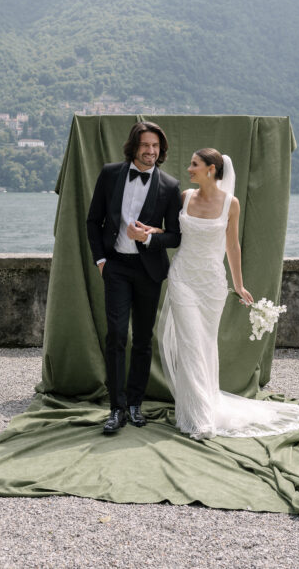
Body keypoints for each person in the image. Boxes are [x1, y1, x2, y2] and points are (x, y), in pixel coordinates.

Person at [152, 148, 299, 440]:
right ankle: (200, 418)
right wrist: (151, 232)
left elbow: (232, 246)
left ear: (211, 169)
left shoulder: (231, 203)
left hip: (212, 285)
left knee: (205, 345)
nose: (189, 169)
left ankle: (202, 407)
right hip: (182, 279)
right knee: (189, 344)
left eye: (194, 164)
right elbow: (172, 234)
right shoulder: (185, 197)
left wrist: (239, 285)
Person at [86, 121, 183, 434]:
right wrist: (101, 261)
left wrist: (149, 238)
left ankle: (134, 404)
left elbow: (176, 236)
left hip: (148, 271)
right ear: (134, 147)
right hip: (115, 266)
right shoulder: (110, 174)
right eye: (145, 145)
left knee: (142, 339)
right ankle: (116, 409)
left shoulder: (170, 186)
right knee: (116, 335)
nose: (151, 151)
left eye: (155, 146)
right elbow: (93, 221)